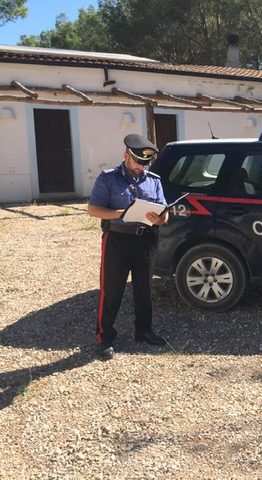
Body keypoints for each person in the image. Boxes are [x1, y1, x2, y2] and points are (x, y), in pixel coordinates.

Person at [87, 134, 169, 359]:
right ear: (126, 156)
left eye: (145, 163)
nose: (141, 167)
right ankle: (104, 337)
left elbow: (164, 213)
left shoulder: (153, 180)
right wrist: (121, 214)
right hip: (117, 239)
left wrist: (161, 219)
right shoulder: (108, 179)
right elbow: (93, 209)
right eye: (137, 162)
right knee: (111, 290)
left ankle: (144, 331)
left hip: (146, 240)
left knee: (144, 289)